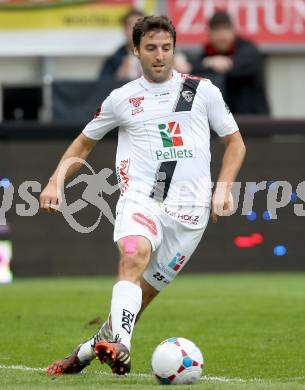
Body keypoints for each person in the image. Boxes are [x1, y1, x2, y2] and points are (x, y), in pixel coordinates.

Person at [40, 15, 246, 376]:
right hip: (142, 199)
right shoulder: (122, 98)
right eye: (151, 48)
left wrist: (224, 187)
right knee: (133, 256)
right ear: (136, 50)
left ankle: (88, 351)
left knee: (136, 304)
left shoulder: (202, 91)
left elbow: (235, 143)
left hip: (190, 215)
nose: (160, 55)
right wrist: (57, 179)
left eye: (166, 47)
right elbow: (84, 144)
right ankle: (123, 346)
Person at [191, 11, 269, 115]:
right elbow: (192, 70)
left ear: (233, 30)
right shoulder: (207, 54)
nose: (221, 35)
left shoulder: (248, 50)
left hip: (254, 122)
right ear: (209, 33)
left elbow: (231, 67)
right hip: (225, 124)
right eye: (216, 30)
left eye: (225, 29)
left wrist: (211, 63)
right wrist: (208, 62)